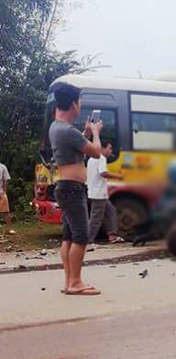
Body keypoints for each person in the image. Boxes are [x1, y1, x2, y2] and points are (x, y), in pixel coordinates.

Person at [49, 82, 103, 295]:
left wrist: (85, 133)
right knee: (81, 236)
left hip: (65, 187)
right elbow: (96, 152)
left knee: (69, 236)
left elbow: (77, 145)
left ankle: (69, 281)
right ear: (73, 104)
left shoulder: (57, 128)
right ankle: (75, 282)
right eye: (79, 101)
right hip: (72, 189)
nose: (80, 105)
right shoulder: (67, 131)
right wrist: (96, 133)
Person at [87, 142, 125, 248]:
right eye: (110, 148)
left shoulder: (91, 158)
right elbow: (103, 172)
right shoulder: (100, 157)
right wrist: (118, 176)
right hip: (98, 194)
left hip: (97, 192)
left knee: (110, 211)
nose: (111, 151)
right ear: (102, 148)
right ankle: (87, 240)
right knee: (96, 218)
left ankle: (112, 235)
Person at [0, 160, 16, 234]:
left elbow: (5, 180)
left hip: (1, 192)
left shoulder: (2, 167)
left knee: (5, 212)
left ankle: (9, 229)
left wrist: (4, 192)